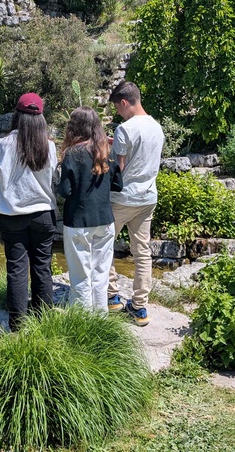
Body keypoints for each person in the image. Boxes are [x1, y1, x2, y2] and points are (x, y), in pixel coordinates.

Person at [0, 92, 58, 330]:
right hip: (43, 214)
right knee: (42, 267)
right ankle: (44, 321)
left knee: (17, 268)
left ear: (17, 115)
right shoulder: (49, 146)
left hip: (13, 215)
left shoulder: (2, 145)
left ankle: (18, 326)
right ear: (41, 118)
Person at [106, 82, 164, 327]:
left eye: (117, 108)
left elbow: (118, 169)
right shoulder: (157, 127)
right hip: (148, 197)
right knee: (142, 253)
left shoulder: (124, 129)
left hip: (122, 198)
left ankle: (112, 297)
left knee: (105, 244)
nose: (118, 113)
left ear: (124, 102)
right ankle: (139, 307)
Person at [57, 107, 123, 312]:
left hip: (78, 221)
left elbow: (65, 191)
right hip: (104, 220)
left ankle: (83, 320)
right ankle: (100, 317)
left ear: (74, 127)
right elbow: (118, 185)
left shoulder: (72, 154)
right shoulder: (107, 152)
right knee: (101, 273)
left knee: (80, 274)